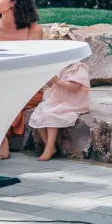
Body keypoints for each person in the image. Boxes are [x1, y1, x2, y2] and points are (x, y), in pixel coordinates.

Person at [0, 0, 44, 159]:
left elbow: (34, 65)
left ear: (15, 1)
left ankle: (0, 138)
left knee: (1, 99)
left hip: (26, 84)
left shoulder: (33, 30)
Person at [29, 23, 91, 161]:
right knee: (38, 115)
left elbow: (75, 87)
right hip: (57, 99)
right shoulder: (59, 67)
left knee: (52, 115)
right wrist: (49, 80)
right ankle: (49, 145)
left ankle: (49, 147)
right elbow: (52, 83)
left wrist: (57, 81)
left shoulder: (78, 67)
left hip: (72, 101)